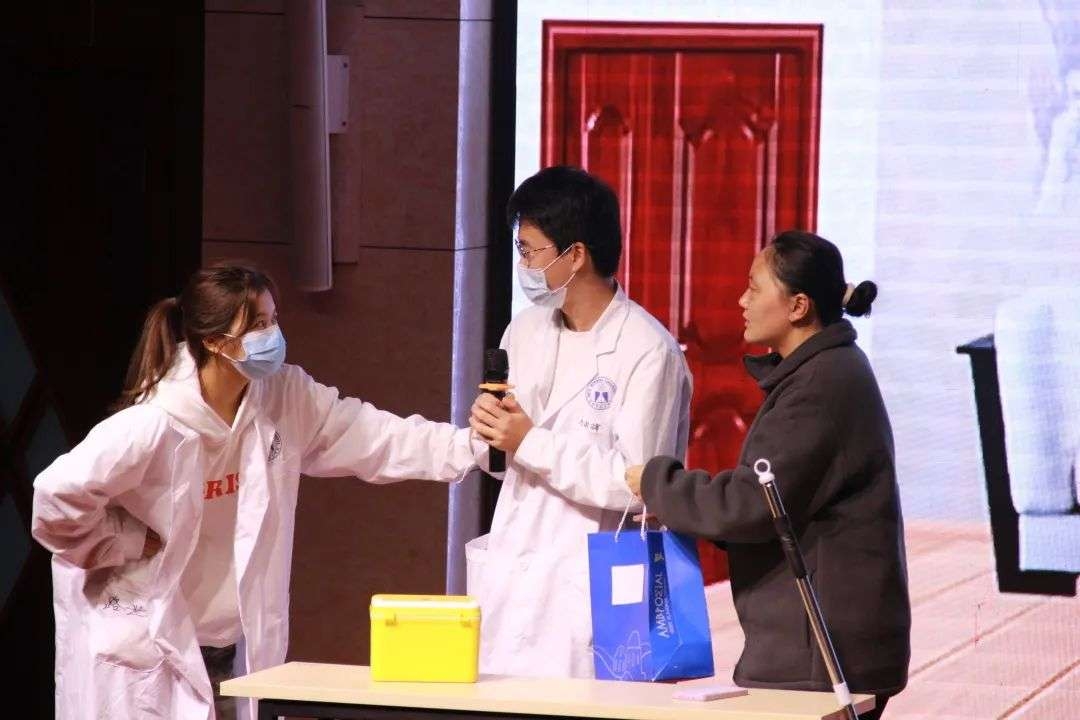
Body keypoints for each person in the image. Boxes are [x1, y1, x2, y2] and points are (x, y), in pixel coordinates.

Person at [32, 264, 481, 720]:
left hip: (231, 646)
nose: (274, 336)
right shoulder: (153, 424)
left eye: (273, 319)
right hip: (148, 648)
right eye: (258, 325)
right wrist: (124, 539)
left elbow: (374, 436)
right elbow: (54, 498)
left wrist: (470, 446)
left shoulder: (283, 396)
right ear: (214, 341)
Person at [626, 230, 910, 719]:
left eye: (754, 288)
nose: (742, 300)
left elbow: (752, 504)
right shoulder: (826, 371)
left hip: (821, 660)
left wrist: (656, 482)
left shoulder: (821, 385)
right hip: (815, 652)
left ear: (798, 306)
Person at [466, 166, 692, 678]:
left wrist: (529, 441)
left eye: (530, 251)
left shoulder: (647, 350)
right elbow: (504, 463)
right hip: (514, 578)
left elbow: (639, 486)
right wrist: (490, 435)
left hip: (590, 593)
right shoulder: (524, 331)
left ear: (575, 255)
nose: (522, 265)